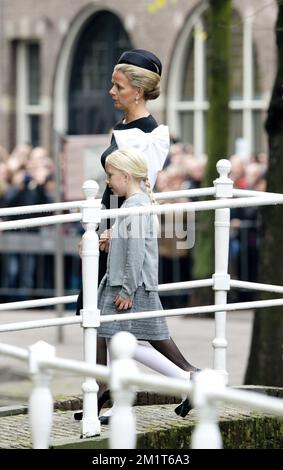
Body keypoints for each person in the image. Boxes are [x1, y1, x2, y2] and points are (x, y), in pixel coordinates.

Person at [75, 49, 199, 422]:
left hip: (125, 231)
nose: (112, 91)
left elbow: (141, 191)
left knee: (114, 319)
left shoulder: (153, 135)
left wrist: (114, 228)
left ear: (138, 92)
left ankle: (107, 389)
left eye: (119, 85)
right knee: (103, 317)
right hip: (112, 225)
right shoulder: (121, 128)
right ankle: (108, 391)